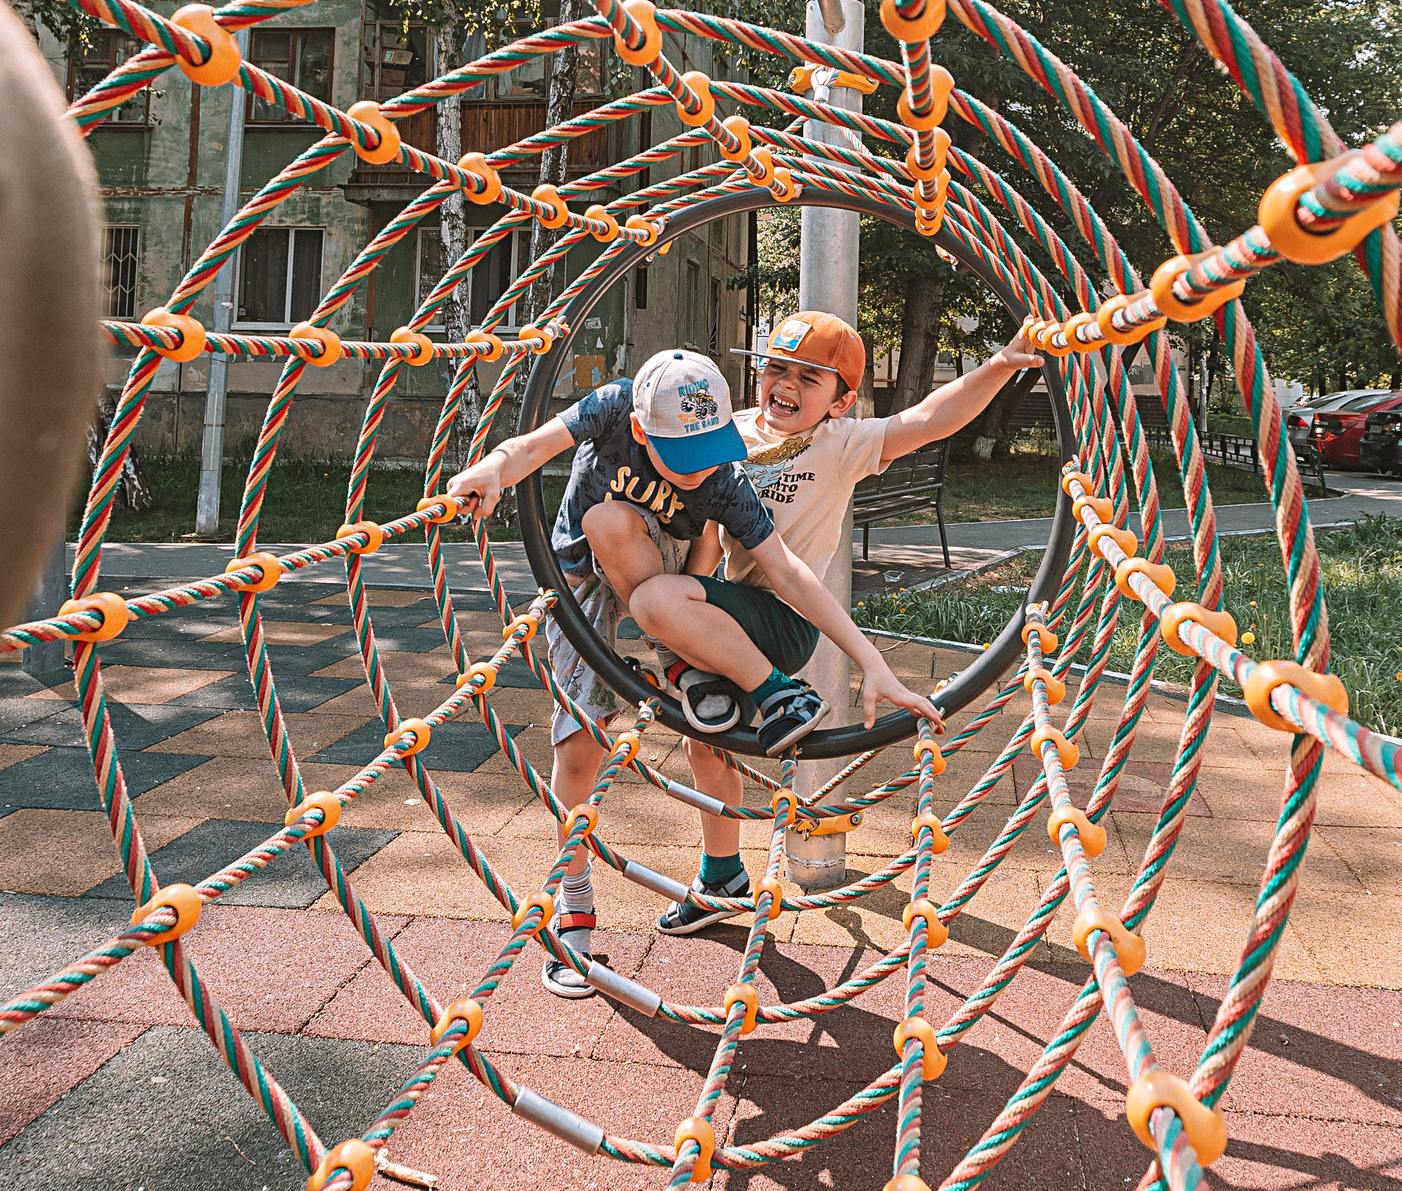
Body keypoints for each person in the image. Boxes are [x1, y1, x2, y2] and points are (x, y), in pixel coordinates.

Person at [444, 347, 940, 995]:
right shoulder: (615, 407)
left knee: (705, 692)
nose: (701, 467)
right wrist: (489, 470)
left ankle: (714, 815)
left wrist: (871, 662)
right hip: (585, 566)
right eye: (684, 455)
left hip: (671, 576)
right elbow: (531, 446)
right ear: (643, 430)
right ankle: (572, 898)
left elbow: (789, 572)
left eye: (711, 448)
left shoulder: (722, 474)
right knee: (580, 738)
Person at [641, 310, 1042, 935]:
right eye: (776, 368)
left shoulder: (842, 443)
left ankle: (779, 693)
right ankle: (721, 874)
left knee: (658, 600)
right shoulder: (729, 433)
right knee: (705, 736)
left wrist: (999, 365)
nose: (787, 386)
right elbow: (706, 526)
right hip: (718, 608)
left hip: (785, 618)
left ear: (841, 399)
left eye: (810, 378)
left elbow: (929, 419)